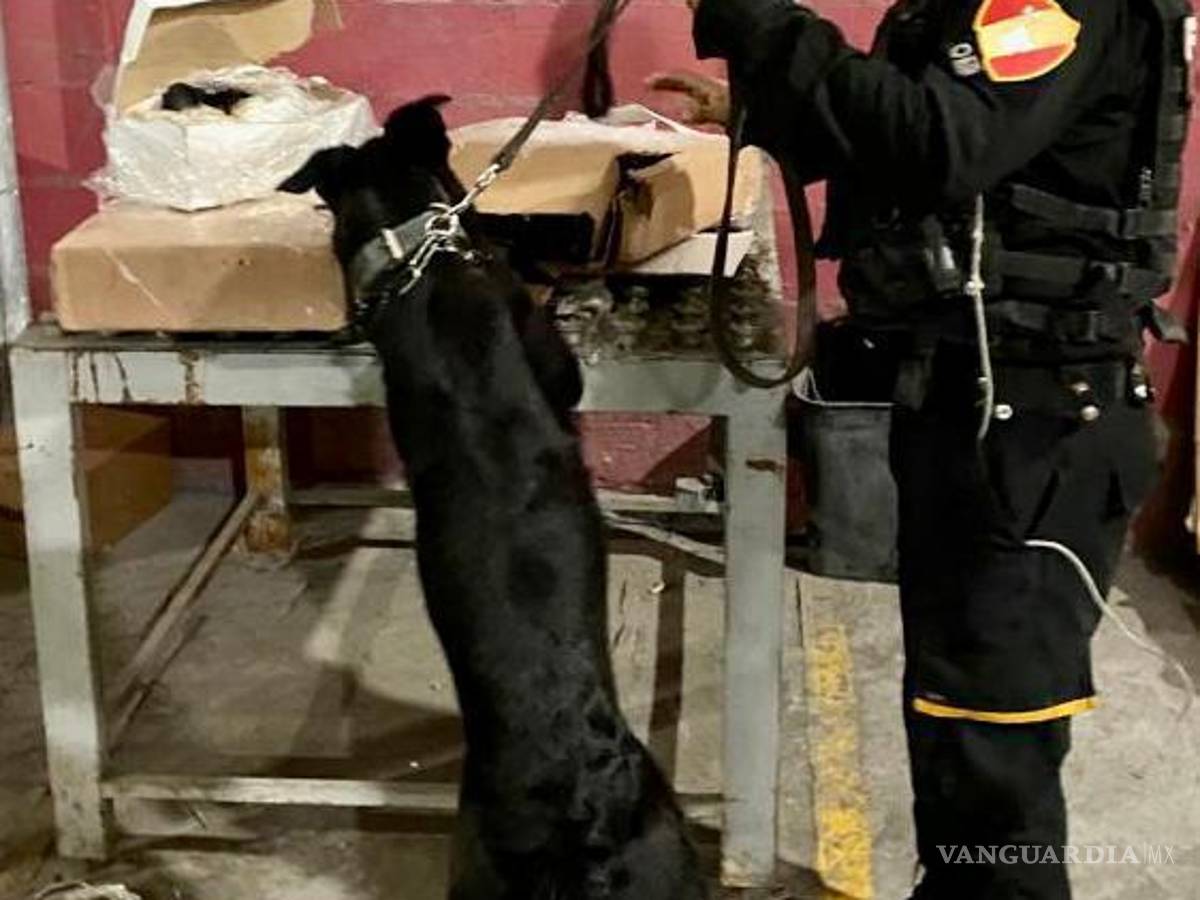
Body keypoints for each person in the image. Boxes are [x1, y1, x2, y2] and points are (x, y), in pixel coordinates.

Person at [653, 0, 1194, 897]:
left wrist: (766, 23)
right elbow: (907, 135)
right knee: (957, 715)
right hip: (979, 405)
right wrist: (753, 106)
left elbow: (946, 143)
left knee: (995, 745)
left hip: (1036, 424)